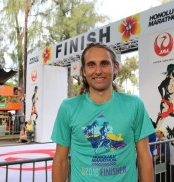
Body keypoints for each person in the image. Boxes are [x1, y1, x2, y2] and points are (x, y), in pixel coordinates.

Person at [51, 42, 154, 182]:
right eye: (91, 64)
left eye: (104, 64)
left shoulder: (134, 105)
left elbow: (144, 157)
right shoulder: (68, 108)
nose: (98, 71)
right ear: (83, 71)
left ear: (115, 67)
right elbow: (61, 160)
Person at [155, 63, 174, 139]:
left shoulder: (167, 79)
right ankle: (151, 141)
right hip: (165, 105)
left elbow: (159, 87)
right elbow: (168, 90)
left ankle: (171, 134)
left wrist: (162, 97)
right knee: (157, 126)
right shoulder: (169, 80)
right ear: (172, 71)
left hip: (168, 104)